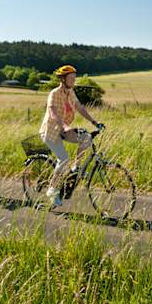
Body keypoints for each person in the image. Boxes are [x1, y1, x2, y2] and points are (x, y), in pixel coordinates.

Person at [39, 65, 103, 207]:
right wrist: (66, 126)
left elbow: (80, 107)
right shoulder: (54, 93)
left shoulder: (70, 92)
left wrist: (94, 122)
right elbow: (53, 113)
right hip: (50, 131)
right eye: (71, 78)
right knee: (63, 158)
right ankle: (52, 189)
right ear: (63, 79)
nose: (74, 80)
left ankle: (76, 168)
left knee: (86, 138)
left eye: (75, 78)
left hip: (63, 131)